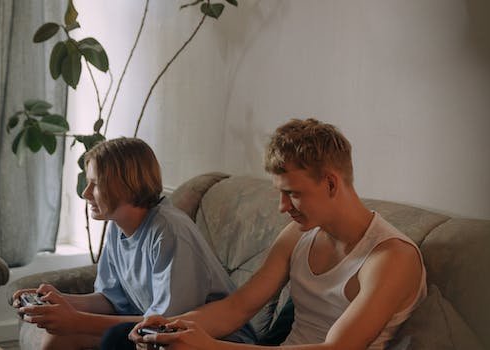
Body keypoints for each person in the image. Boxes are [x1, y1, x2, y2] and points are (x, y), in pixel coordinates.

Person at [128, 118, 427, 350]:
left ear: (332, 184)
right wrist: (170, 327)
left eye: (293, 193)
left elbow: (337, 349)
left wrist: (211, 346)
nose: (283, 207)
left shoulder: (391, 257)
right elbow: (238, 307)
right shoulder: (298, 235)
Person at [12, 137, 255, 350]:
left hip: (213, 338)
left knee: (75, 330)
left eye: (94, 183)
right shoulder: (118, 227)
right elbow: (112, 299)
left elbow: (165, 325)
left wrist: (75, 319)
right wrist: (60, 301)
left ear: (122, 184)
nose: (85, 193)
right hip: (154, 331)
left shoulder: (168, 231)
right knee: (61, 337)